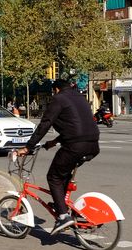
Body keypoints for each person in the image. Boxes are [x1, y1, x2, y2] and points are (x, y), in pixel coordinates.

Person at [16, 77, 100, 235]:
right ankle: (62, 203)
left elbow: (45, 124)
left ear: (56, 89)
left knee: (53, 177)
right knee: (64, 172)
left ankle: (63, 216)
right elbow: (75, 124)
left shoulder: (58, 99)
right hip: (93, 144)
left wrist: (28, 147)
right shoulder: (80, 98)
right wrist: (54, 142)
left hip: (75, 145)